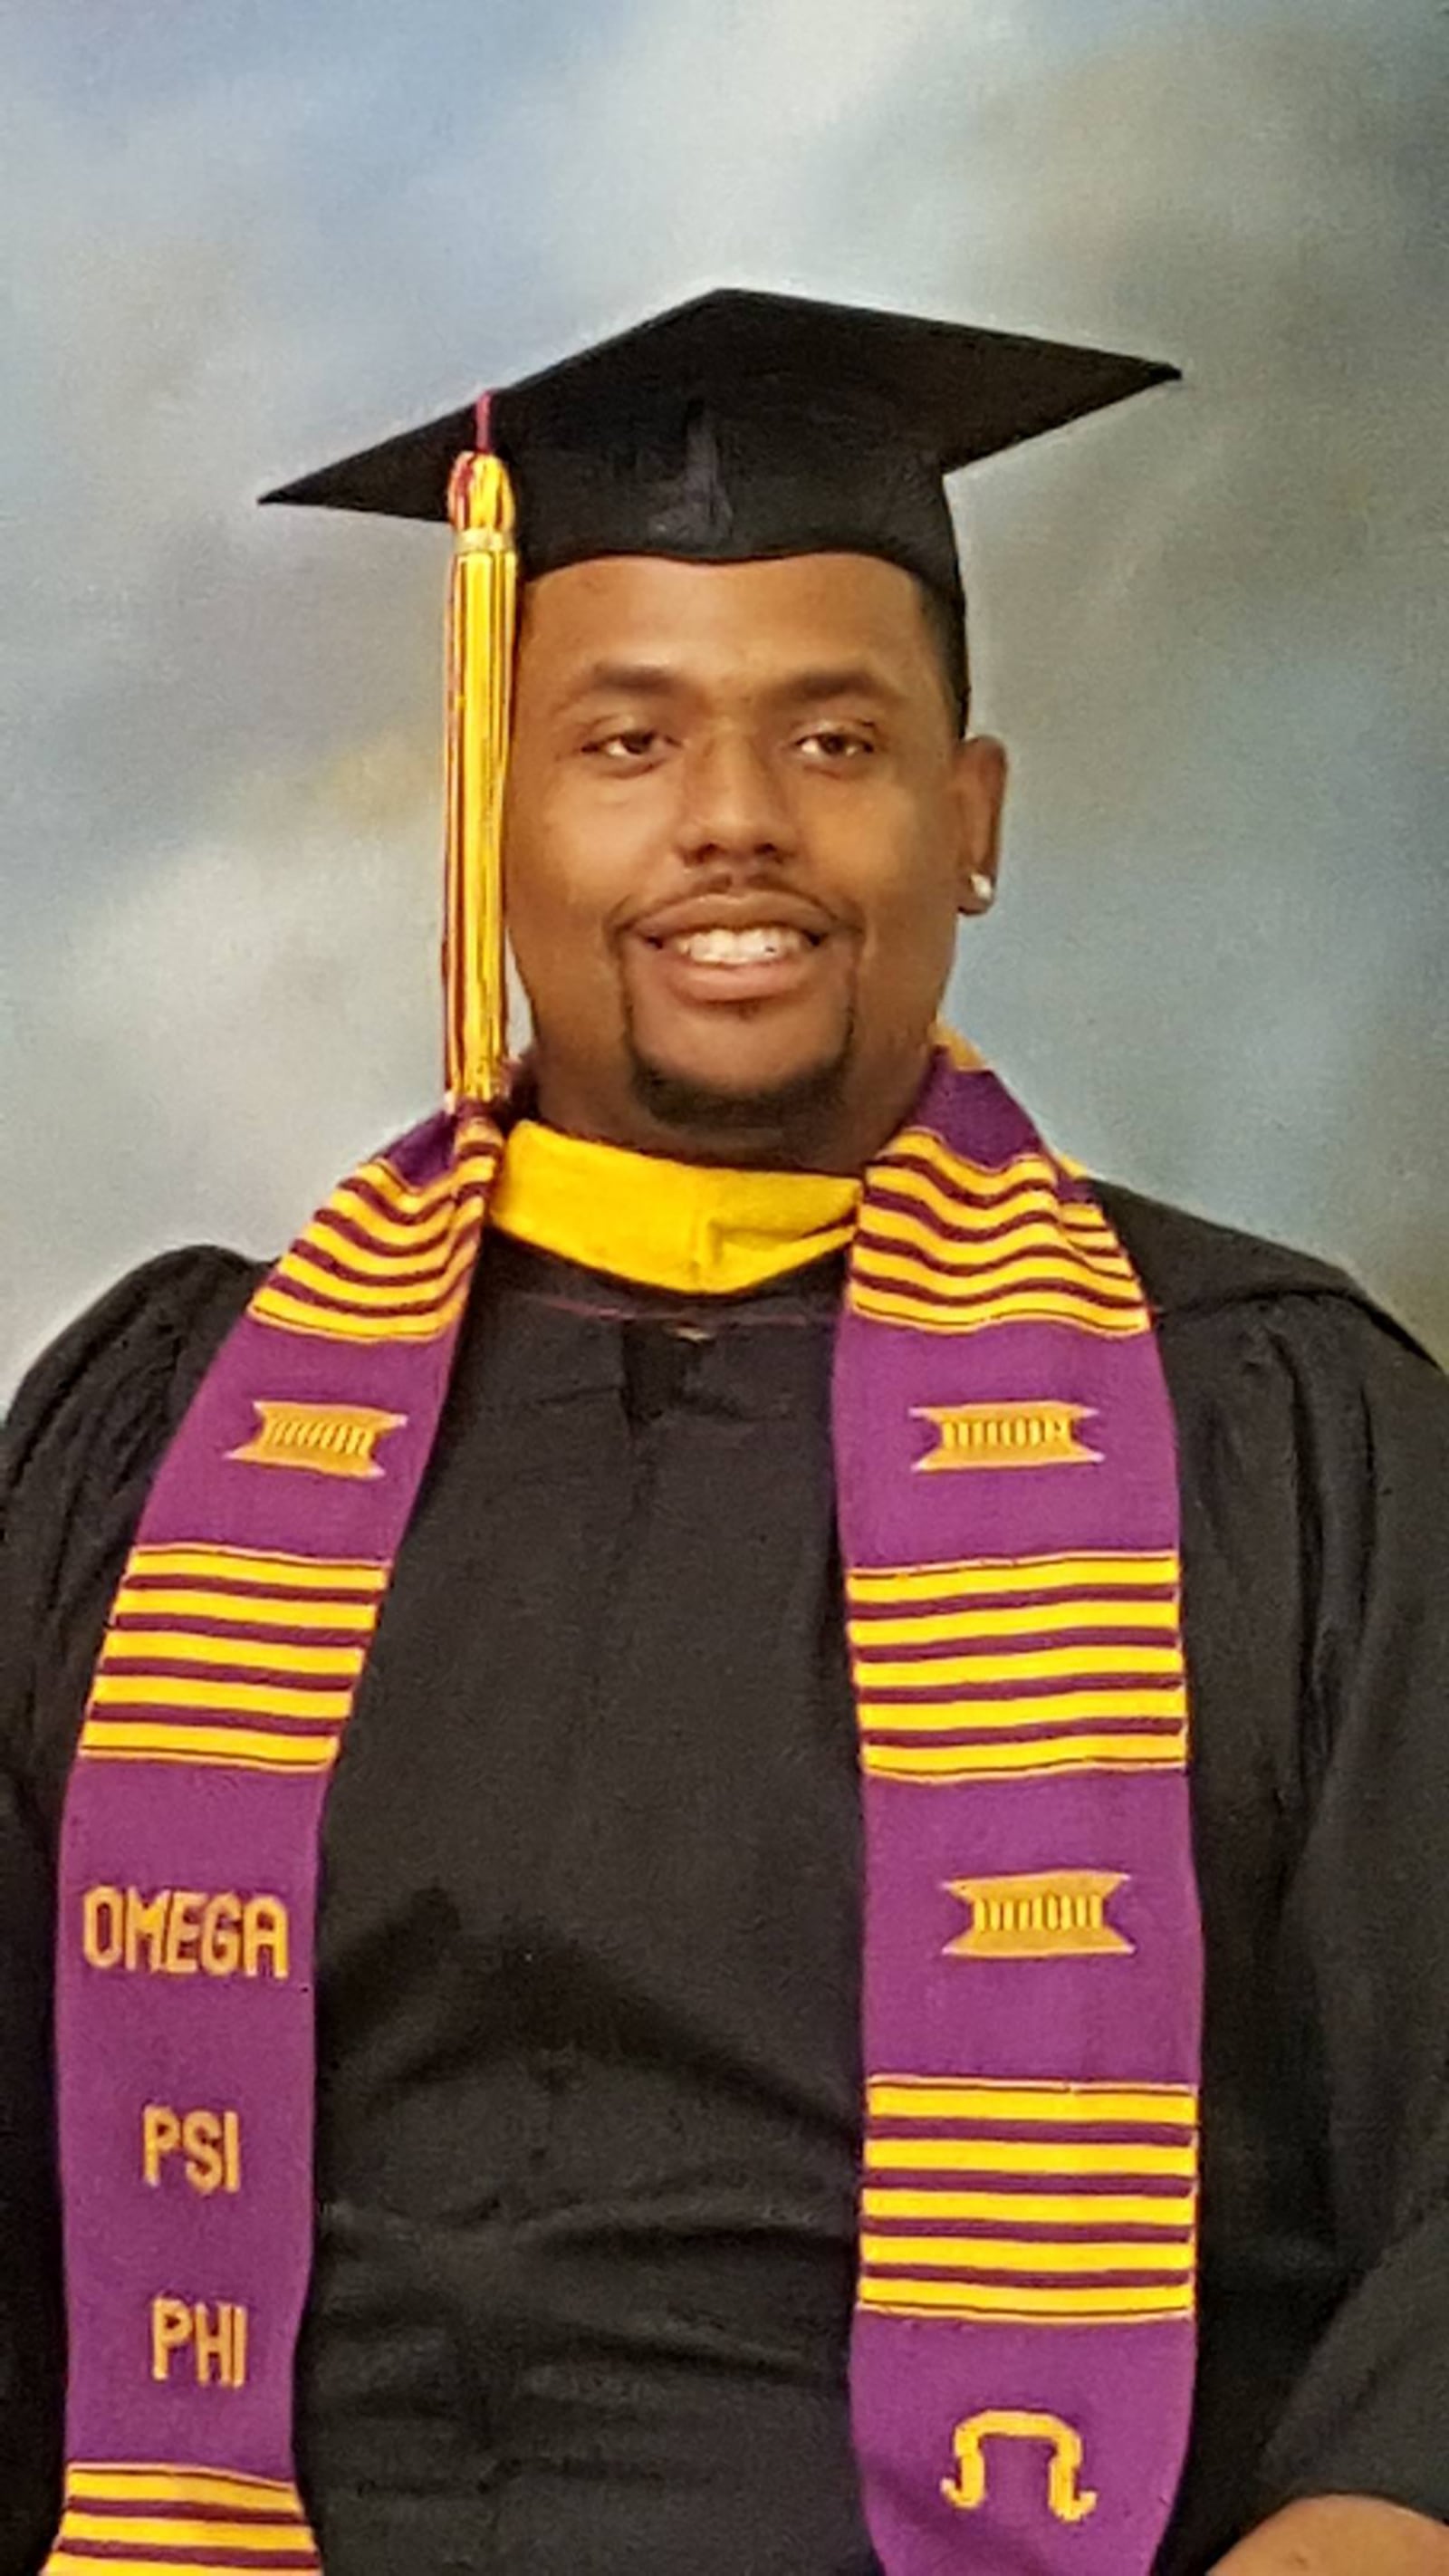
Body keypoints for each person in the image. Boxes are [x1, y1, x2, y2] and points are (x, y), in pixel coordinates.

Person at [2, 289, 1448, 2576]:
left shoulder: (1260, 1429)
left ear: (968, 822)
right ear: (489, 810)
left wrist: (1373, 2522)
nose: (733, 829)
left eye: (837, 743)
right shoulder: (171, 1443)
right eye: (626, 742)